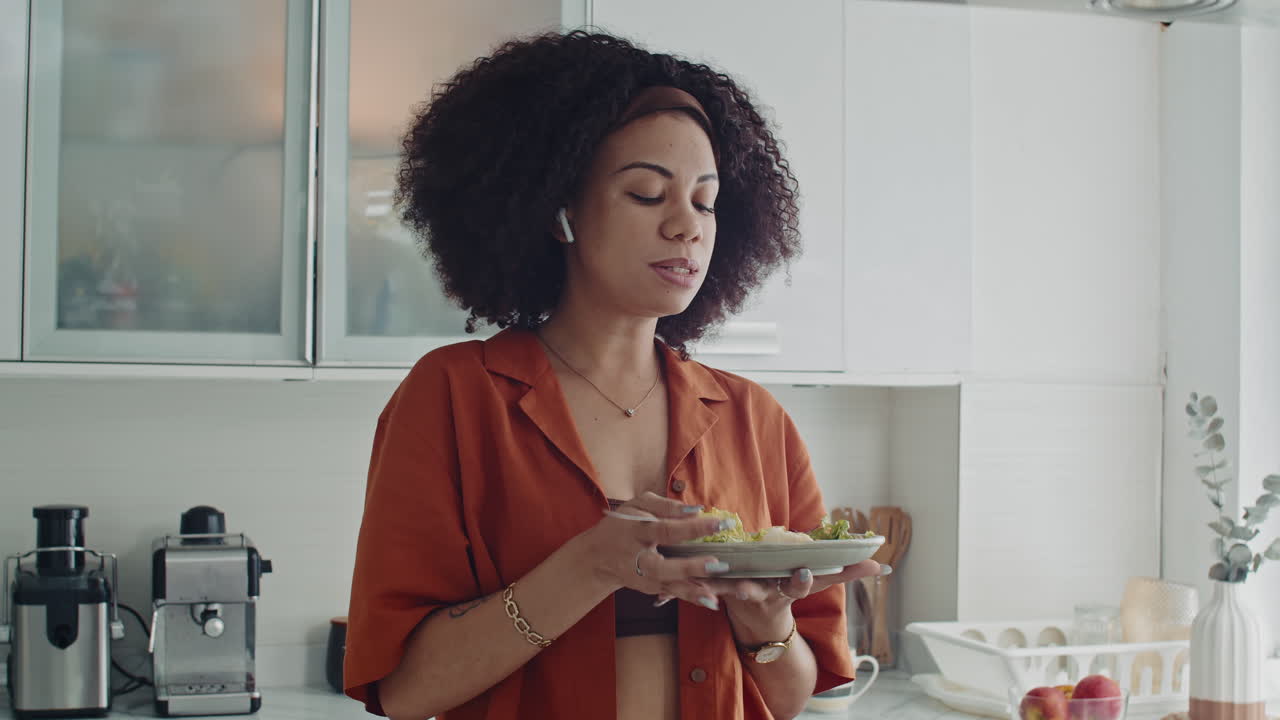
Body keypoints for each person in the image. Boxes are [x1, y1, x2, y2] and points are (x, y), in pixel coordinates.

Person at [343, 30, 885, 720]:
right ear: (559, 211)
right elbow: (405, 689)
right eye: (646, 194)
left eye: (705, 200)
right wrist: (590, 565)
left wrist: (764, 623)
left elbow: (792, 693)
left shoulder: (756, 419)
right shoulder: (453, 396)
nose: (687, 226)